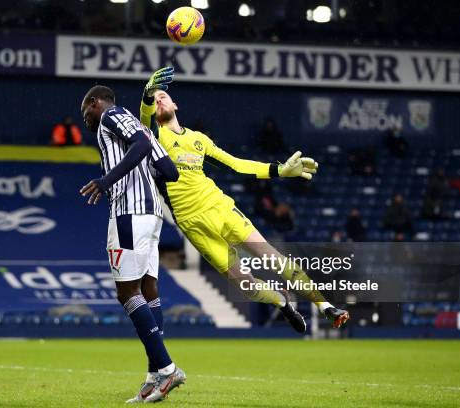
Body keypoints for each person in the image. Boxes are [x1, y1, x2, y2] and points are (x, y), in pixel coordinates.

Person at [139, 67, 350, 332]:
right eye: (156, 99)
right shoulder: (153, 137)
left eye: (163, 96)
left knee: (272, 258)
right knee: (247, 285)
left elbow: (236, 164)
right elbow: (145, 120)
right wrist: (147, 95)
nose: (159, 100)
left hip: (220, 208)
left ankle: (326, 306)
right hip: (193, 224)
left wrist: (280, 170)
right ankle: (282, 303)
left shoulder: (198, 140)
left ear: (175, 104)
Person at [79, 85, 185, 404]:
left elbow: (137, 142)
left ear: (95, 103)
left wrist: (107, 180)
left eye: (85, 111)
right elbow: (170, 171)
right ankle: (156, 375)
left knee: (127, 292)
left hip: (129, 211)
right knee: (148, 291)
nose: (85, 119)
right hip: (151, 213)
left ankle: (166, 369)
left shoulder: (112, 115)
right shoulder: (141, 128)